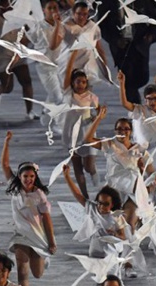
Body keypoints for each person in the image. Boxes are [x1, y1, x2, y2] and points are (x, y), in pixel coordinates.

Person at [1, 131, 57, 286]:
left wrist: (51, 242)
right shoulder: (15, 188)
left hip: (38, 235)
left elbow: (46, 218)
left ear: (35, 177)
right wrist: (7, 142)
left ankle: (43, 258)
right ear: (19, 176)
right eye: (25, 176)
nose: (28, 179)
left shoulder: (39, 195)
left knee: (37, 274)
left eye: (31, 176)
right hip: (20, 235)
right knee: (22, 271)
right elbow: (5, 165)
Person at [86, 107, 151, 231]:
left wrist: (143, 176)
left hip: (132, 191)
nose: (123, 131)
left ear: (131, 131)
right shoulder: (110, 144)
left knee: (129, 224)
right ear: (115, 131)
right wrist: (99, 118)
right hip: (114, 191)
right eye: (119, 129)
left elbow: (151, 172)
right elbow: (88, 139)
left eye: (126, 129)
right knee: (112, 226)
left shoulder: (139, 149)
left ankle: (131, 246)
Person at [0, 0, 38, 119]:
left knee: (26, 81)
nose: (5, 6)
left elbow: (31, 30)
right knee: (7, 87)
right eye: (2, 3)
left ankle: (29, 111)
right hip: (1, 55)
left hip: (17, 53)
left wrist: (28, 38)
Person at [98, 0, 156, 104]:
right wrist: (116, 41)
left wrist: (150, 36)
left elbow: (154, 17)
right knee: (127, 79)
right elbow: (102, 26)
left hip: (140, 44)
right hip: (121, 46)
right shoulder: (107, 3)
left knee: (143, 76)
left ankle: (133, 101)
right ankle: (134, 106)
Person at [62, 55, 99, 198]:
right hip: (72, 133)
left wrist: (98, 117)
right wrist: (73, 54)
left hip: (87, 132)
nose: (81, 85)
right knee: (77, 168)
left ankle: (94, 171)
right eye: (78, 82)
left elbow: (97, 112)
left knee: (88, 166)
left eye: (84, 82)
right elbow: (67, 72)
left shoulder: (91, 97)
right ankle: (85, 195)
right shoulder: (68, 94)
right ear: (72, 82)